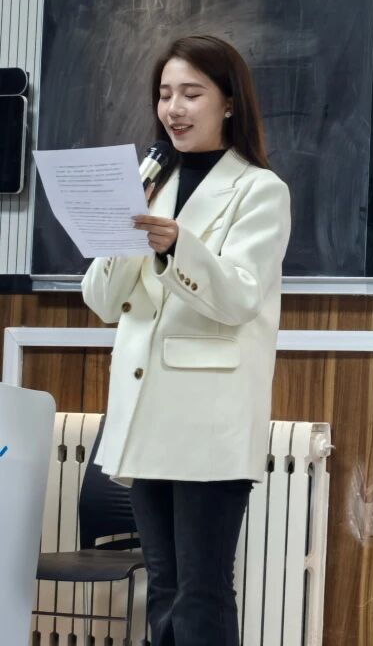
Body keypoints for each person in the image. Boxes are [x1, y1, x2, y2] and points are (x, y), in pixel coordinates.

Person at [81, 34, 291, 646]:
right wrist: (123, 232)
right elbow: (103, 301)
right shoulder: (153, 182)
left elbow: (239, 297)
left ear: (229, 103)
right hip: (147, 414)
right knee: (164, 588)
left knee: (201, 591)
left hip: (210, 420)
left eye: (192, 93)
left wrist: (177, 245)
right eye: (165, 93)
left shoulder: (260, 189)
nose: (174, 108)